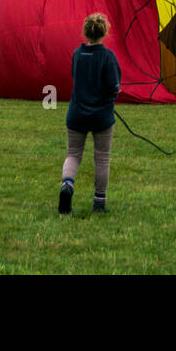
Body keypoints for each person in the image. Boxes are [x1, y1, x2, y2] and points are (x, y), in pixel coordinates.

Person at [59, 13, 121, 214]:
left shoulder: (77, 54)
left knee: (73, 154)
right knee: (102, 157)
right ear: (105, 32)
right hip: (101, 116)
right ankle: (99, 202)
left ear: (85, 32)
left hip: (76, 113)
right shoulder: (108, 57)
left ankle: (67, 185)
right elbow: (114, 86)